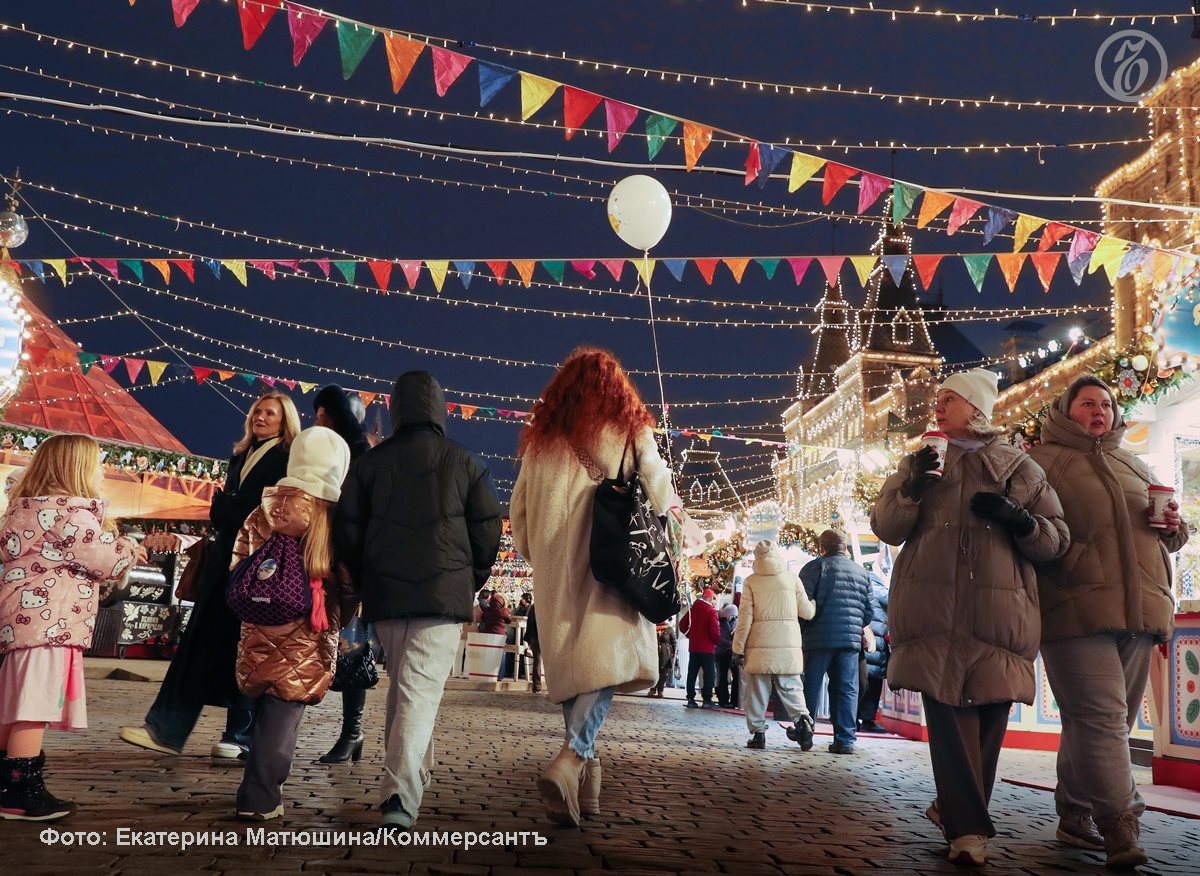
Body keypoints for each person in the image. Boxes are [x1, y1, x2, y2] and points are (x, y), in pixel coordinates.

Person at [871, 368, 1068, 867]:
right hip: (933, 610)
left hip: (999, 613)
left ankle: (955, 809)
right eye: (938, 399)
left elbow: (1055, 541)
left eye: (950, 399)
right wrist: (912, 486)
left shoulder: (1019, 467)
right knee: (948, 715)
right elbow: (886, 527)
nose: (938, 406)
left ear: (977, 408)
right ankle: (969, 830)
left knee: (987, 723)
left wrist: (1021, 522)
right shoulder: (919, 460)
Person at [1028, 375, 1189, 868]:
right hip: (1072, 606)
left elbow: (1167, 537)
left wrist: (1175, 526)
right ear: (1065, 410)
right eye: (1087, 403)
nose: (1099, 411)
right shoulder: (1040, 463)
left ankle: (1074, 815)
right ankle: (1122, 825)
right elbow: (1030, 534)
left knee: (1100, 720)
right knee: (1102, 719)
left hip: (1139, 610)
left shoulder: (1134, 464)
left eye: (1106, 404)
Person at [511, 346, 676, 827]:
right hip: (610, 564)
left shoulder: (542, 438)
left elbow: (519, 514)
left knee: (575, 670)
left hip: (554, 570)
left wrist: (542, 555)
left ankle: (585, 786)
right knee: (603, 667)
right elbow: (659, 491)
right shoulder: (629, 427)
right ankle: (571, 759)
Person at [335, 371, 501, 831]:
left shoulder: (371, 463)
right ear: (441, 410)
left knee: (406, 687)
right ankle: (399, 796)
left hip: (386, 595)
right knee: (417, 690)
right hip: (443, 596)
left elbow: (347, 530)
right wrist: (470, 579)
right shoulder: (466, 461)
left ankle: (412, 774)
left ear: (396, 409)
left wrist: (367, 575)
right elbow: (488, 531)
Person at [121, 392, 298, 758]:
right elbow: (228, 511)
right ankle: (167, 728)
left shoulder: (286, 457)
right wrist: (227, 507)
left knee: (245, 647)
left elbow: (265, 511)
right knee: (199, 644)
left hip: (257, 567)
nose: (261, 417)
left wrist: (227, 505)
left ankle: (239, 736)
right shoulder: (240, 455)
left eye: (270, 413)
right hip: (222, 563)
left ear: (285, 421)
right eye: (258, 411)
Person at [0, 435, 141, 821]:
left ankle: (5, 783)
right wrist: (130, 546)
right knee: (33, 707)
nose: (102, 472)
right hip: (52, 624)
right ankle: (22, 792)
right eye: (97, 464)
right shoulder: (71, 515)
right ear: (76, 468)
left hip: (21, 625)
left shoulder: (23, 509)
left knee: (13, 705)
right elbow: (107, 561)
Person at [230, 427, 354, 820]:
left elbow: (239, 563)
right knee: (283, 711)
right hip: (308, 628)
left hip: (258, 622)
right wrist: (343, 616)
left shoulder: (262, 509)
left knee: (264, 704)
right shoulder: (329, 515)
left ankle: (258, 786)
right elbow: (348, 583)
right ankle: (259, 797)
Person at [311, 386, 374, 765]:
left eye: (325, 414)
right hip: (316, 563)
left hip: (349, 570)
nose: (318, 420)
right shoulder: (315, 452)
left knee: (351, 650)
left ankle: (352, 732)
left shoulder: (364, 459)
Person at [732, 541, 817, 751]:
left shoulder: (751, 582)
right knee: (792, 687)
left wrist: (738, 648)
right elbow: (807, 612)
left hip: (759, 645)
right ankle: (803, 722)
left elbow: (744, 619)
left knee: (757, 691)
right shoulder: (791, 578)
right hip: (788, 644)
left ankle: (758, 735)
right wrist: (814, 604)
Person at [799, 530, 874, 755]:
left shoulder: (813, 568)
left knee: (812, 686)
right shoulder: (861, 572)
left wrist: (803, 630)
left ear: (822, 547)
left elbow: (802, 605)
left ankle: (805, 732)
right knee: (847, 689)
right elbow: (868, 612)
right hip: (848, 642)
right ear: (845, 547)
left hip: (818, 639)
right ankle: (845, 739)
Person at [857, 567, 890, 734]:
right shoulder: (880, 590)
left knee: (857, 683)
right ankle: (868, 720)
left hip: (860, 641)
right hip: (875, 644)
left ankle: (852, 719)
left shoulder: (859, 588)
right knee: (874, 683)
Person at [679, 589, 720, 709]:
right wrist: (717, 641)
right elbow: (714, 630)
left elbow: (682, 625)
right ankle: (707, 699)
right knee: (709, 674)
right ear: (710, 598)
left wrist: (690, 636)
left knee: (692, 673)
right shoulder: (711, 611)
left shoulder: (692, 610)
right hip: (707, 648)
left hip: (694, 647)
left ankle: (691, 699)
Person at [715, 603, 740, 709]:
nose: (732, 616)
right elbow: (721, 639)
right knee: (723, 676)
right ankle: (723, 700)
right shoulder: (721, 623)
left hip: (732, 653)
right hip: (723, 653)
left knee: (736, 676)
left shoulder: (735, 621)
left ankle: (735, 700)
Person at [649, 621, 676, 698]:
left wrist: (674, 654)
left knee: (664, 672)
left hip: (665, 653)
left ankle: (660, 690)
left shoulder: (669, 629)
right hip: (654, 652)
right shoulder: (652, 627)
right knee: (654, 671)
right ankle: (653, 689)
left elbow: (674, 642)